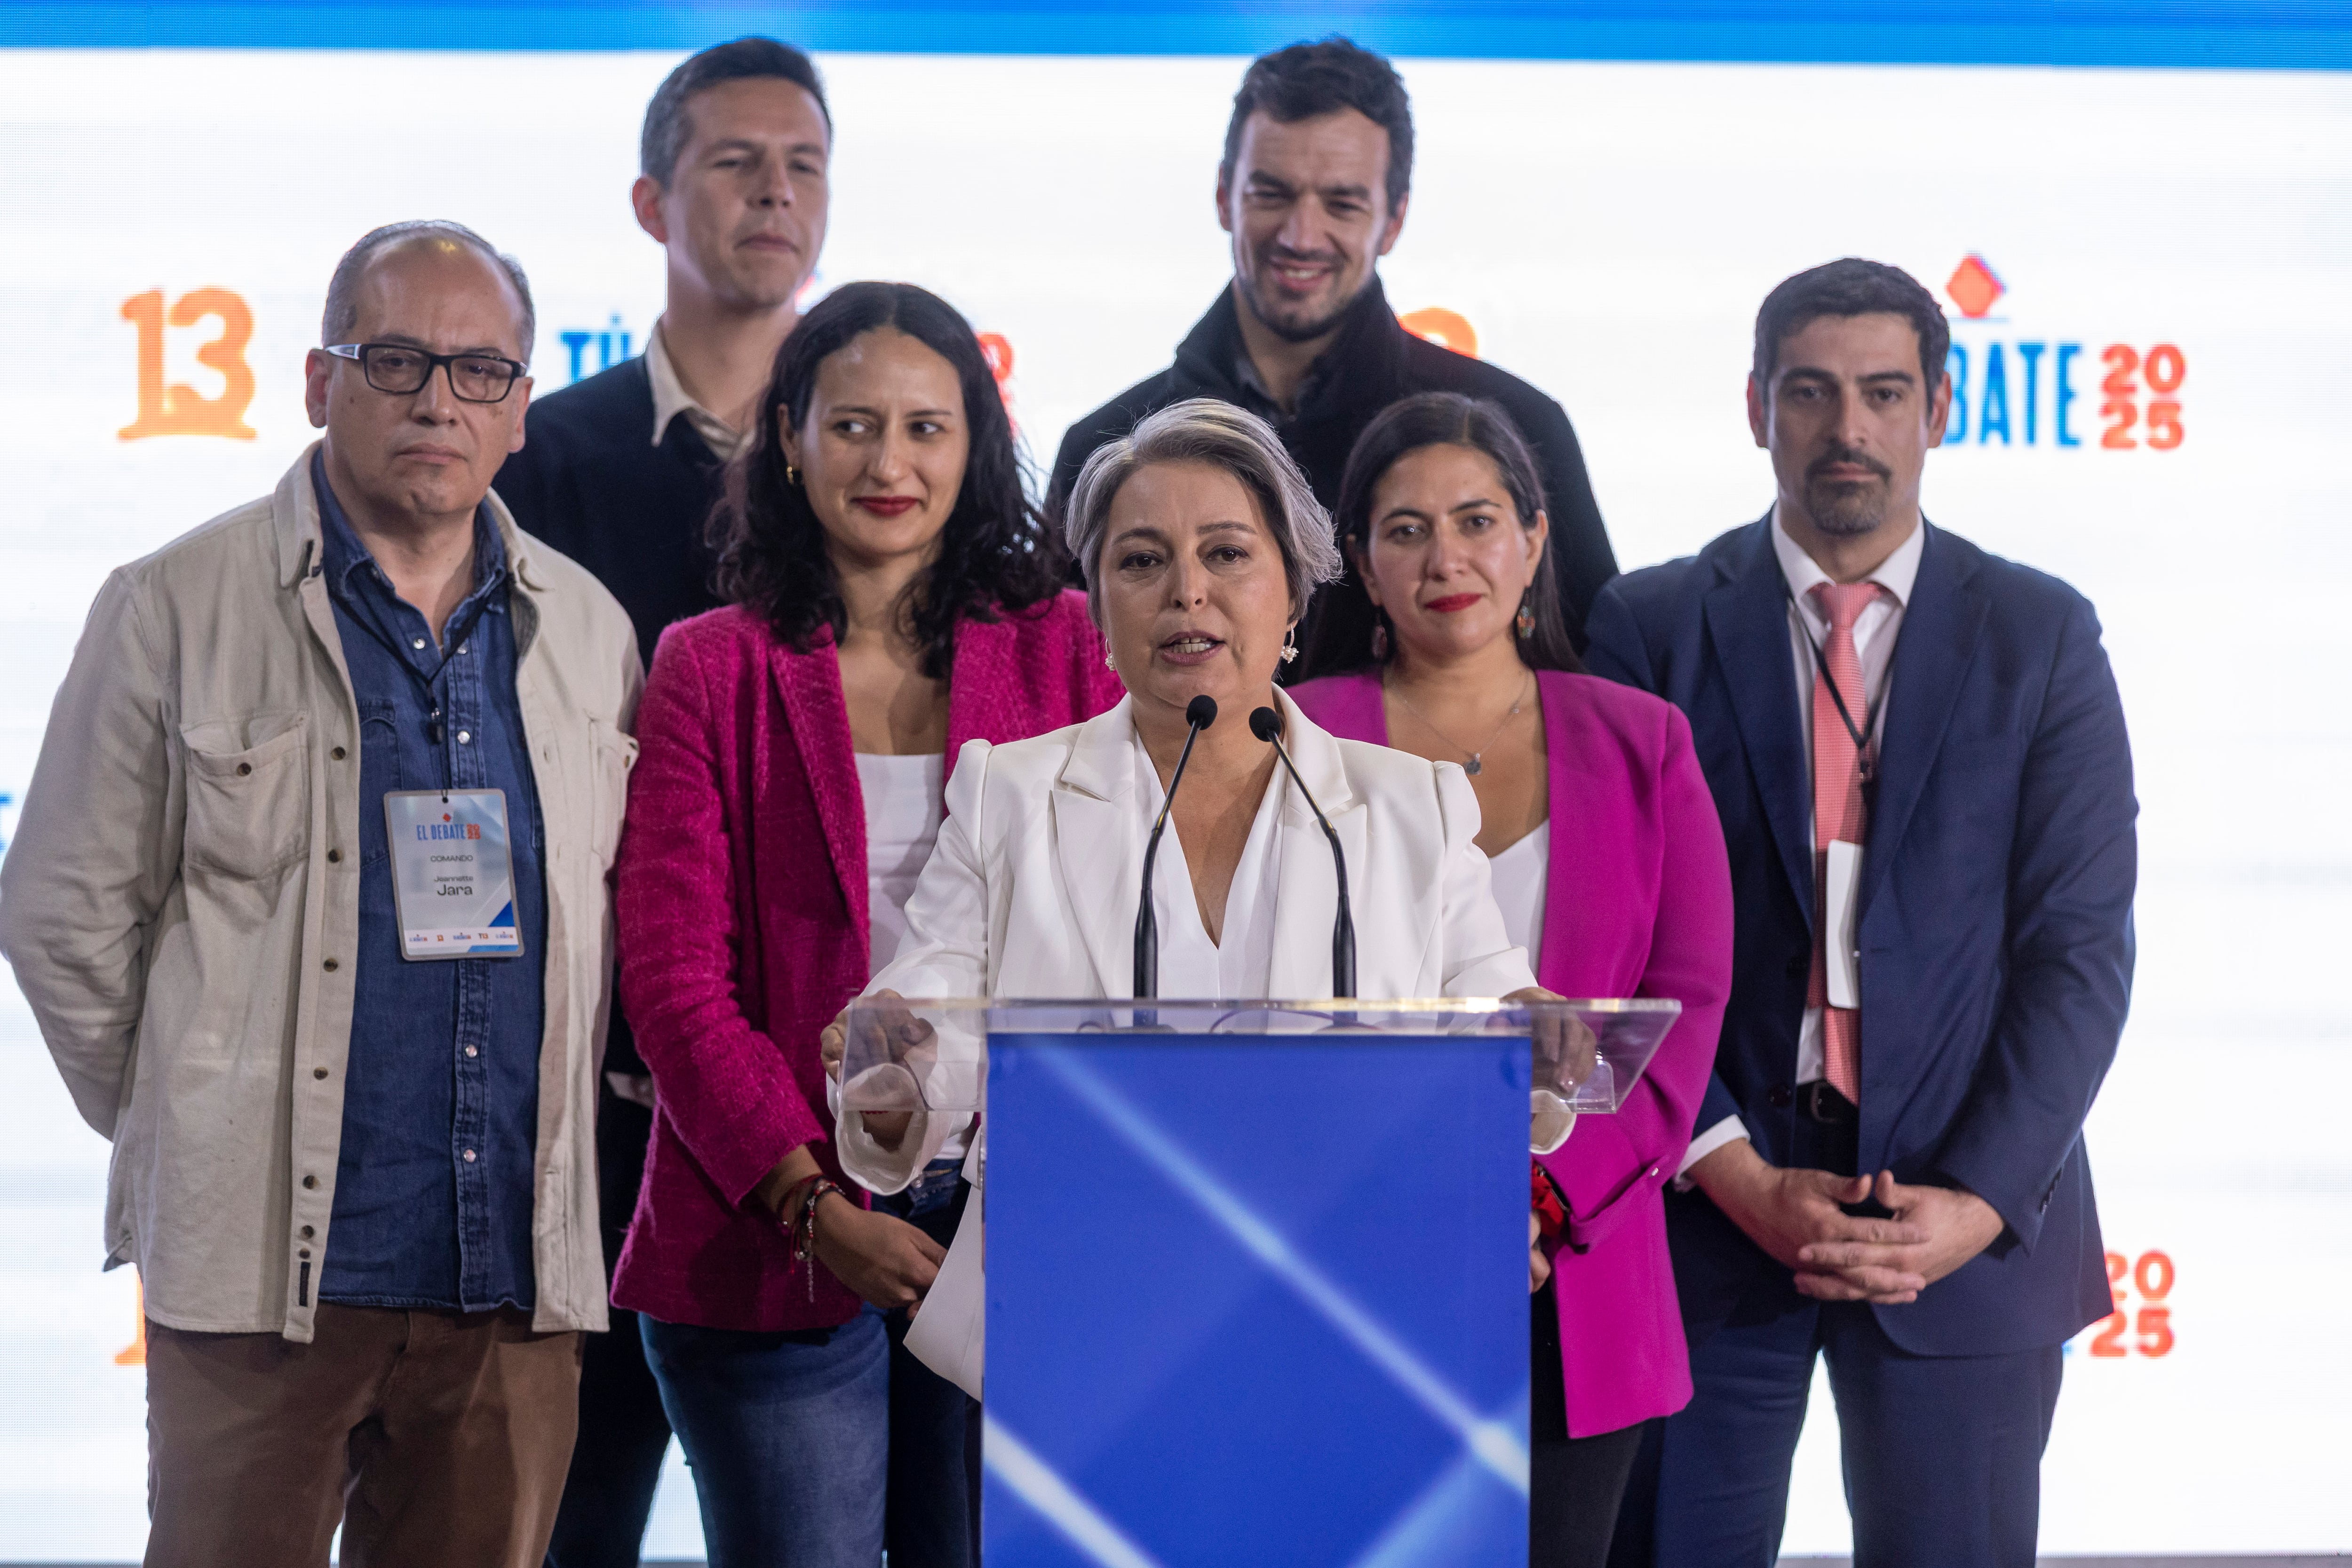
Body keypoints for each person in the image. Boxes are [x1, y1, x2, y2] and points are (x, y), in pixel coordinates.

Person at [0, 221, 640, 1568]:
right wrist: (196, 1103)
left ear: (522, 411)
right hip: (261, 1291)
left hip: (508, 1283)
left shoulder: (585, 628)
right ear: (316, 380)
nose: (435, 399)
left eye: (479, 371)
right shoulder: (174, 603)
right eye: (395, 357)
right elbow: (60, 905)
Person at [825, 397, 1569, 1399]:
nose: (1187, 592)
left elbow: (1498, 1026)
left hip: (1358, 1329)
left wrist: (1537, 1039)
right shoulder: (1011, 793)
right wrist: (889, 1073)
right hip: (1086, 1335)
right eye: (1141, 560)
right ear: (1094, 600)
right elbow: (927, 1041)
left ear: (1294, 592)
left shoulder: (1410, 807)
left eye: (1227, 554)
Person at [1584, 259, 2136, 1568]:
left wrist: (1981, 1200)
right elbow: (1608, 943)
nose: (1849, 430)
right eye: (1812, 393)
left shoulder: (2042, 634)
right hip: (1707, 1214)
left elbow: (2080, 950)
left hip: (1964, 1212)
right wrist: (1731, 1169)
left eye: (1886, 392)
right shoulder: (1651, 626)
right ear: (1756, 406)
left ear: (1939, 407)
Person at [608, 280, 1122, 1568]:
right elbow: (673, 980)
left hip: (1021, 1213)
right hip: (771, 1215)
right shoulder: (707, 663)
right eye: (850, 425)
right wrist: (807, 1200)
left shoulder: (1065, 644)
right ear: (787, 435)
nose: (888, 462)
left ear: (976, 443)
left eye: (926, 427)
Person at [488, 38, 832, 1565]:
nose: (777, 192)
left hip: (832, 1115)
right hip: (591, 1096)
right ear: (652, 198)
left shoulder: (885, 468)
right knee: (571, 1516)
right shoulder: (543, 459)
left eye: (804, 163)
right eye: (736, 161)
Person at [1289, 391, 1732, 1567]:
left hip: (1573, 1276)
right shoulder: (1291, 737)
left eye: (1477, 520)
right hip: (1346, 1268)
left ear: (1535, 542)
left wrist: (1532, 1205)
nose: (1447, 558)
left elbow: (1680, 1019)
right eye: (1405, 529)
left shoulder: (1644, 741)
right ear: (1361, 565)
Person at [1047, 38, 1618, 652]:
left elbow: (1592, 692)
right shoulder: (1104, 447)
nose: (1301, 235)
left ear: (1394, 220)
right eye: (1272, 194)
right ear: (1223, 196)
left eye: (1342, 203)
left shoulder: (1522, 426)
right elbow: (1054, 689)